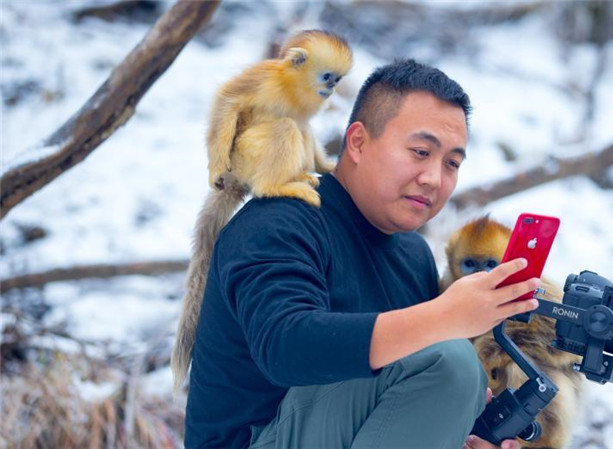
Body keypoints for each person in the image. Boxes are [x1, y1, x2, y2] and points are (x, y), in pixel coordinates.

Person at [184, 59, 540, 449]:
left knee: (460, 380)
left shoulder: (413, 254)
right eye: (421, 151)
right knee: (451, 363)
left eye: (451, 163)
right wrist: (445, 318)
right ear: (357, 142)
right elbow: (285, 346)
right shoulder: (280, 221)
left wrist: (454, 426)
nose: (434, 178)